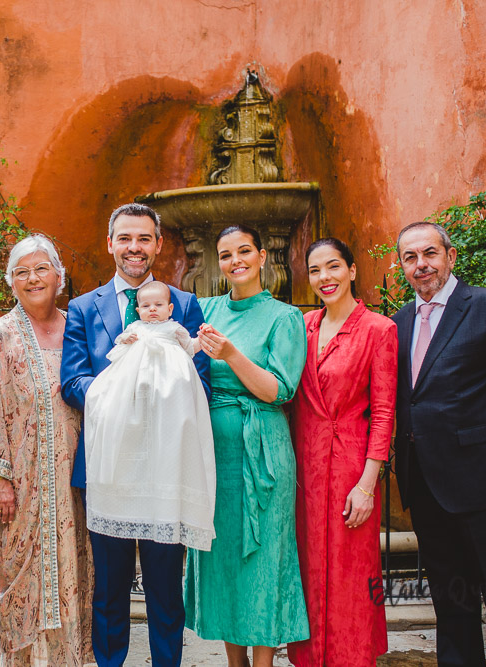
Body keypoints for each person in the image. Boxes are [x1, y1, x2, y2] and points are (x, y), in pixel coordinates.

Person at [61, 203, 210, 667]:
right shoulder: (84, 307)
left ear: (158, 245)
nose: (134, 247)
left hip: (166, 468)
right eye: (125, 238)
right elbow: (73, 381)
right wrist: (118, 395)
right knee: (108, 589)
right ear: (110, 243)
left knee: (166, 589)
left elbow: (199, 379)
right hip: (109, 469)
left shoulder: (183, 305)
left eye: (144, 239)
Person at [392, 221, 486, 666]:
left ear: (451, 256)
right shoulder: (398, 323)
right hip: (426, 482)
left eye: (430, 254)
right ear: (402, 266)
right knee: (450, 601)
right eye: (410, 257)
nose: (421, 265)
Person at [183, 224, 308, 667]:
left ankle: (263, 663)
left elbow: (279, 391)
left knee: (263, 561)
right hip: (213, 456)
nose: (235, 261)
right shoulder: (203, 309)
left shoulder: (285, 317)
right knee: (222, 563)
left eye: (243, 252)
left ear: (261, 257)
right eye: (225, 254)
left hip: (264, 451)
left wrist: (232, 354)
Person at [0, 234, 94, 666]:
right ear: (11, 283)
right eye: (21, 271)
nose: (33, 278)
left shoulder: (79, 327)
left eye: (41, 268)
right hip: (22, 487)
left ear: (59, 276)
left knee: (76, 573)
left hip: (78, 482)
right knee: (20, 579)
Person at [287, 238, 396, 666]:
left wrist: (368, 484)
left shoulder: (379, 329)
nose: (324, 278)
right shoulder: (302, 326)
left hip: (351, 466)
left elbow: (384, 413)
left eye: (333, 267)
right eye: (315, 271)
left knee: (352, 573)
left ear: (352, 270)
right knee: (308, 567)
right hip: (304, 467)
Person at [84, 280, 215, 551]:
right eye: (145, 306)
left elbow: (190, 348)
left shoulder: (174, 328)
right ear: (138, 309)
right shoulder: (135, 328)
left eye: (157, 306)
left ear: (169, 309)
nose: (152, 310)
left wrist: (202, 340)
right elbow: (118, 350)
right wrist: (126, 339)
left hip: (169, 395)